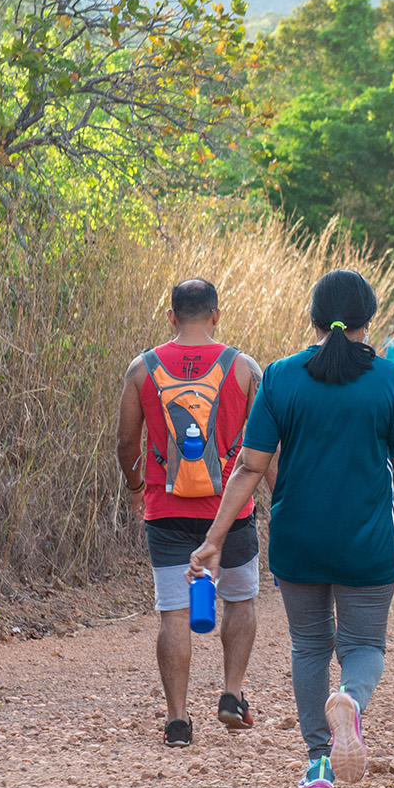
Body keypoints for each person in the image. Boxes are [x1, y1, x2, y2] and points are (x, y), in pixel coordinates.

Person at [190, 269, 394, 788]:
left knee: (309, 646)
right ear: (369, 318)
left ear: (313, 317)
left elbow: (248, 466)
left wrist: (214, 538)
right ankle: (350, 701)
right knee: (364, 645)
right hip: (367, 543)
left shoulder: (282, 377)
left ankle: (318, 762)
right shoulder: (388, 380)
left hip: (299, 540)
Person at [116, 278, 263, 748]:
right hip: (231, 510)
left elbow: (125, 445)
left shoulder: (142, 369)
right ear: (216, 315)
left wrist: (137, 488)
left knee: (174, 614)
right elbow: (264, 451)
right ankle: (231, 695)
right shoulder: (243, 369)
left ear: (172, 316)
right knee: (240, 599)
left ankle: (177, 721)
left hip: (166, 511)